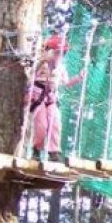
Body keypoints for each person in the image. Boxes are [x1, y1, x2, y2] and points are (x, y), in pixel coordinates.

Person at [30, 34, 83, 162]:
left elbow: (66, 83)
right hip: (38, 98)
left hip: (51, 97)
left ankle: (54, 152)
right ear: (49, 52)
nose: (58, 56)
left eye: (60, 53)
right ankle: (36, 149)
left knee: (55, 123)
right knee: (41, 125)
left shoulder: (61, 68)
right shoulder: (41, 63)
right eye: (56, 53)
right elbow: (31, 74)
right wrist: (43, 60)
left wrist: (79, 78)